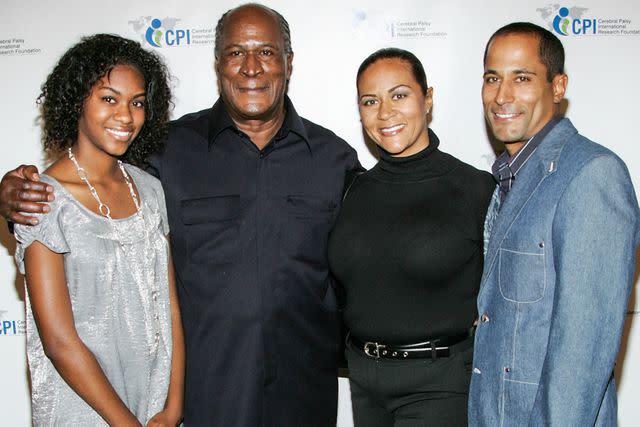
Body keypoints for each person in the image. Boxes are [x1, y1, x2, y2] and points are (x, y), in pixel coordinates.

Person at [0, 4, 362, 426]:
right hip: (200, 399)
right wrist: (15, 197)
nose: (250, 68)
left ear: (288, 62)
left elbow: (383, 231)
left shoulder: (334, 159)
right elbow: (88, 188)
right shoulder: (164, 154)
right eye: (235, 53)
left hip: (305, 396)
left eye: (266, 52)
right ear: (218, 64)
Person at [469, 22, 640, 426]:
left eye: (522, 78)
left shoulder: (592, 174)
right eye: (492, 78)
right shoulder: (511, 176)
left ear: (558, 87)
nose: (502, 95)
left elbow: (579, 356)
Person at [12, 34, 184, 426]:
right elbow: (58, 341)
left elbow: (170, 307)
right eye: (109, 98)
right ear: (77, 102)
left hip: (154, 407)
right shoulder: (42, 200)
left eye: (137, 102)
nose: (126, 116)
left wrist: (173, 408)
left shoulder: (150, 189)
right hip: (82, 410)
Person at [328, 48, 495, 426]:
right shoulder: (354, 189)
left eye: (399, 95)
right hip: (364, 380)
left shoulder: (474, 189)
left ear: (428, 98)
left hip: (439, 384)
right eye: (371, 101)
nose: (385, 112)